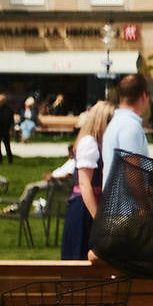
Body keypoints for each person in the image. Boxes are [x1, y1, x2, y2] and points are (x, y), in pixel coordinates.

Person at [56, 100, 115, 261]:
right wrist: (98, 219)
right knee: (80, 260)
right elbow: (84, 185)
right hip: (84, 208)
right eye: (110, 120)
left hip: (94, 205)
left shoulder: (102, 143)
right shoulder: (89, 143)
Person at [103, 75, 153, 196]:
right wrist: (145, 205)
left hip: (114, 206)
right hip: (128, 210)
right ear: (143, 96)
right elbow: (132, 172)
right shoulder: (130, 126)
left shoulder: (115, 123)